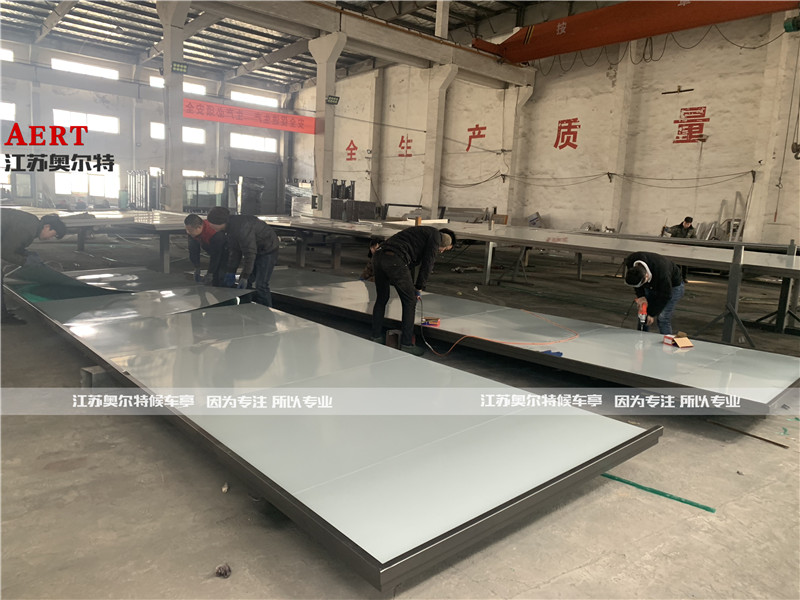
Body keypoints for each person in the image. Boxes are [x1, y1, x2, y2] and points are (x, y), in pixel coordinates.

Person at [371, 226, 455, 355]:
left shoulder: (421, 232)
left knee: (382, 298)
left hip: (378, 256)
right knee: (410, 301)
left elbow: (408, 262)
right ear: (443, 243)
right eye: (443, 249)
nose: (442, 252)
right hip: (395, 258)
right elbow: (428, 264)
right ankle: (407, 344)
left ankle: (376, 336)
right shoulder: (435, 237)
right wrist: (419, 287)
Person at [1, 208, 67, 325]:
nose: (50, 238)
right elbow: (5, 252)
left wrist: (26, 254)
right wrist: (25, 261)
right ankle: (2, 317)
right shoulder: (28, 229)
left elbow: (12, 245)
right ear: (47, 227)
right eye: (53, 234)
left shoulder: (32, 224)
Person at [206, 206, 279, 307]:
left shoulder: (242, 228)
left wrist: (245, 275)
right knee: (245, 283)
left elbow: (249, 253)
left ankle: (265, 310)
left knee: (261, 284)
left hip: (267, 249)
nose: (210, 226)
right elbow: (235, 250)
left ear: (220, 222)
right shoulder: (228, 229)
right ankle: (245, 307)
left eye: (212, 223)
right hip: (254, 249)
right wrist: (231, 271)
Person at [623, 251, 685, 335]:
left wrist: (652, 314)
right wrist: (641, 296)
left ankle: (666, 339)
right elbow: (636, 281)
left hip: (672, 287)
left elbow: (666, 295)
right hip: (651, 284)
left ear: (646, 276)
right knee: (643, 315)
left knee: (663, 318)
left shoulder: (662, 271)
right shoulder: (631, 260)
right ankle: (641, 337)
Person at [184, 213, 228, 286]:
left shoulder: (214, 233)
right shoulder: (192, 233)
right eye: (187, 229)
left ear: (199, 227)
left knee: (219, 278)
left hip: (226, 252)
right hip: (213, 249)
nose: (188, 232)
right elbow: (193, 250)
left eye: (190, 230)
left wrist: (210, 273)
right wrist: (196, 267)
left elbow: (216, 255)